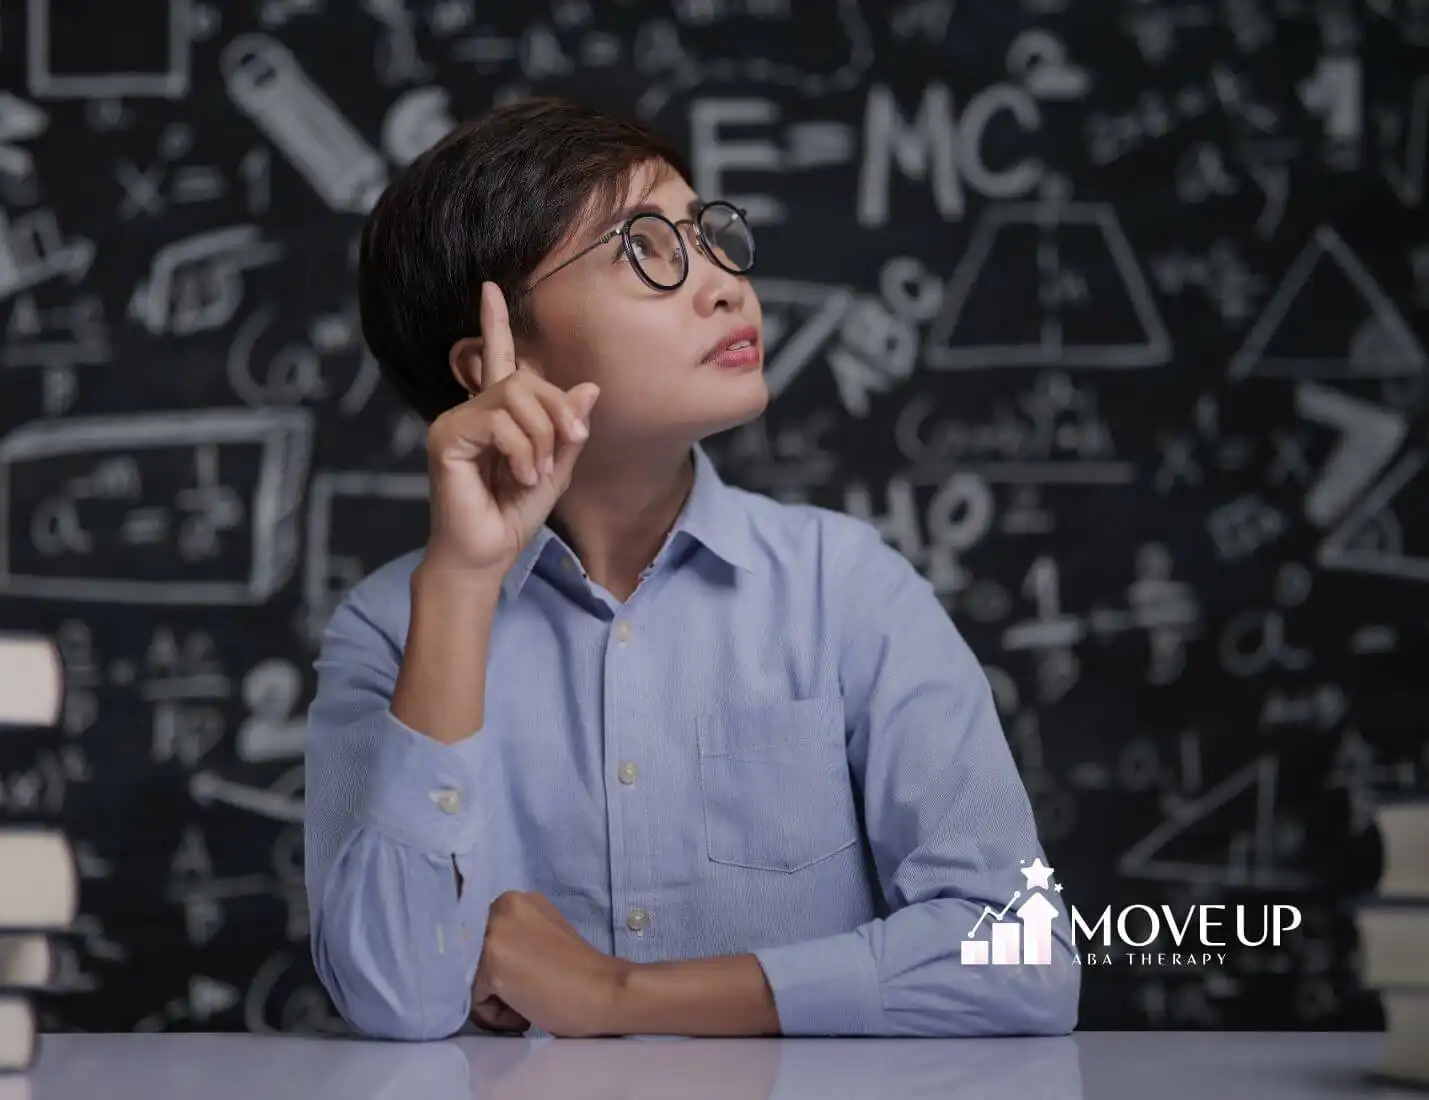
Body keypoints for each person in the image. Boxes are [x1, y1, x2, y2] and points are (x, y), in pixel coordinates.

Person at [304, 95, 1080, 1041]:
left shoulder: (846, 586)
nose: (723, 284)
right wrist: (463, 585)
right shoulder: (391, 628)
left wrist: (616, 996)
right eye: (645, 250)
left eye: (706, 236)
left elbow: (1025, 954)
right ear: (492, 361)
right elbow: (393, 1001)